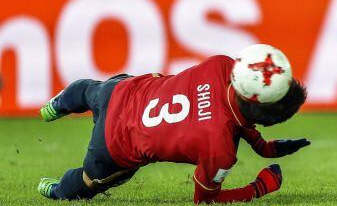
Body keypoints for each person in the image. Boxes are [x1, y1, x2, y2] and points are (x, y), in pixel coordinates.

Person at [36, 44, 310, 203]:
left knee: (89, 90)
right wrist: (260, 187)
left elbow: (231, 111)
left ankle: (56, 106)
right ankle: (56, 190)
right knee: (90, 182)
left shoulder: (221, 65)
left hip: (122, 91)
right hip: (113, 146)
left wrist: (266, 148)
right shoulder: (220, 152)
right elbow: (206, 200)